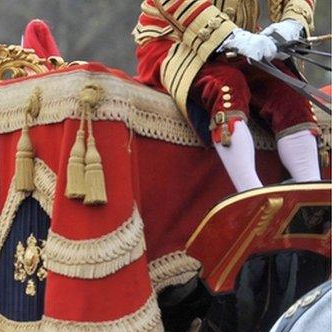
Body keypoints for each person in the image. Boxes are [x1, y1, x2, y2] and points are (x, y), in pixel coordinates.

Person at [134, 0, 320, 192]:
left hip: (241, 36)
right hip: (175, 38)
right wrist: (230, 36)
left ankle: (313, 193)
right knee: (227, 85)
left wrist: (292, 23)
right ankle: (251, 193)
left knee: (289, 92)